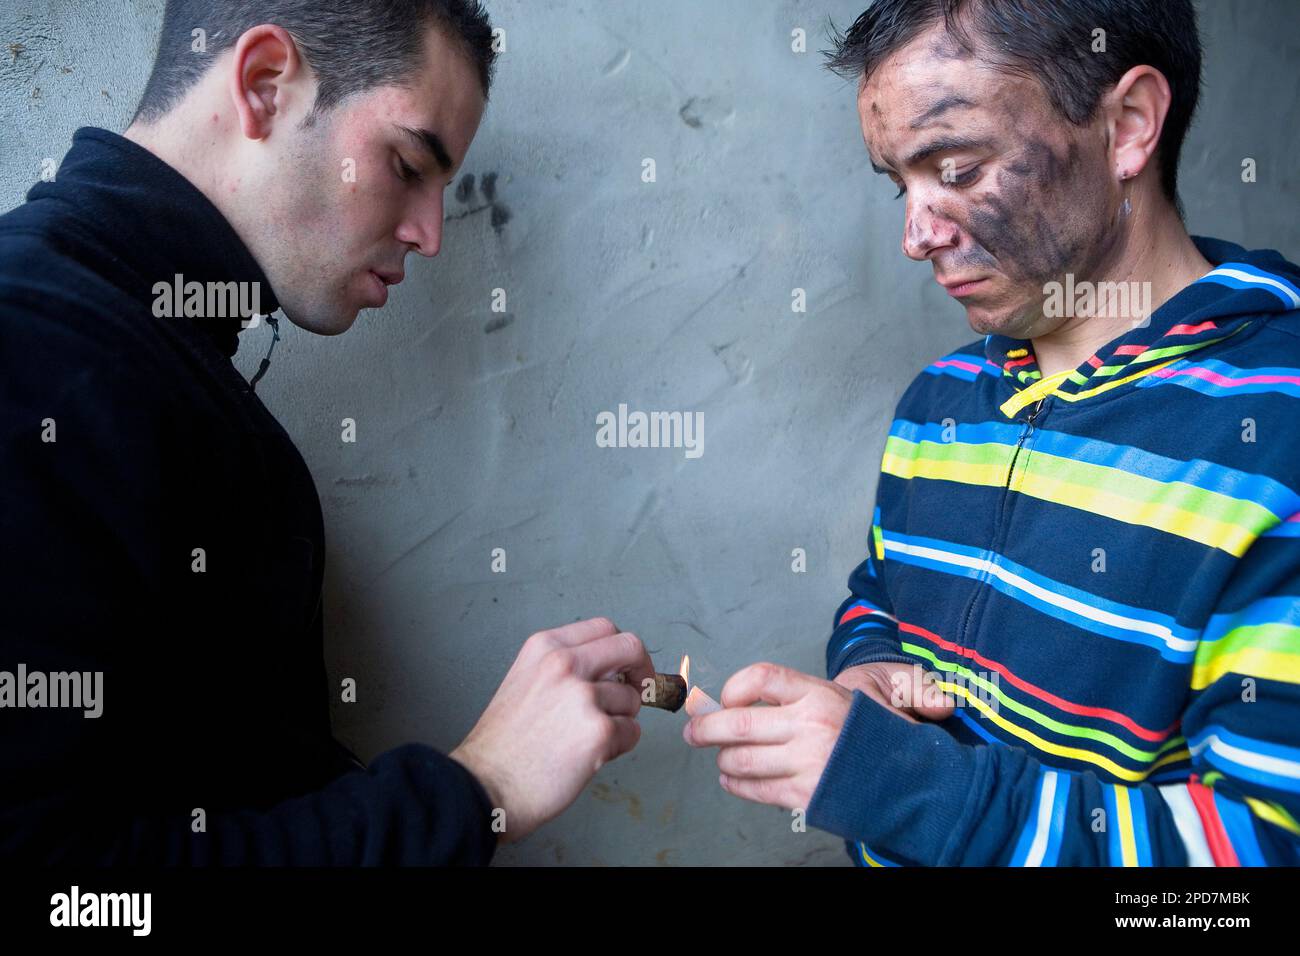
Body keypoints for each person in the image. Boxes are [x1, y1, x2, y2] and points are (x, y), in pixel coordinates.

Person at [0, 0, 653, 865]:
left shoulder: (152, 340)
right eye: (408, 162)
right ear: (266, 86)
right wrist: (476, 791)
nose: (427, 232)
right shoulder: (31, 343)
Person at [685, 0, 1300, 866]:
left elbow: (1253, 861)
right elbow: (882, 599)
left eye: (960, 169)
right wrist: (872, 670)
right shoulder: (940, 402)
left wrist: (903, 784)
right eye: (900, 184)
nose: (915, 235)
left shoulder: (1276, 436)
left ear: (1126, 127)